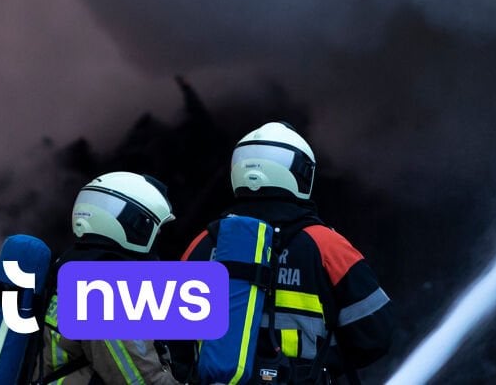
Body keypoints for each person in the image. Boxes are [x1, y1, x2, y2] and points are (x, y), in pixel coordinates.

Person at [180, 122, 394, 384]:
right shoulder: (326, 245)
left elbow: (175, 343)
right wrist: (323, 364)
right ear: (300, 173)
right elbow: (375, 336)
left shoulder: (201, 244)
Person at [34, 171, 181, 385]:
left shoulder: (71, 266)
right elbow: (141, 379)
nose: (158, 236)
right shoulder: (101, 289)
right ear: (131, 223)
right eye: (152, 227)